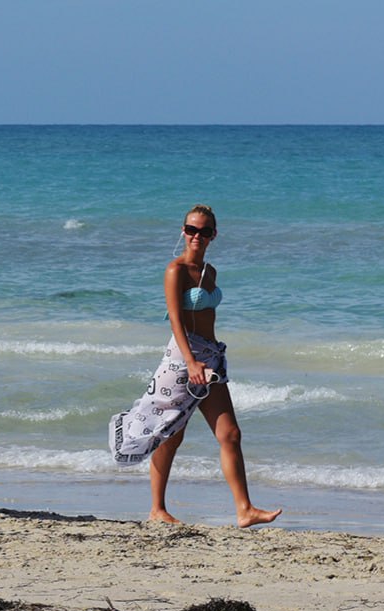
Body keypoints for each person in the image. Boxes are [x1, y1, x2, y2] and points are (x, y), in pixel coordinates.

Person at [109, 204, 281, 528]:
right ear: (183, 232)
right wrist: (190, 363)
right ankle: (157, 509)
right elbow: (175, 319)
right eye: (191, 229)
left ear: (213, 235)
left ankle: (244, 509)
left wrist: (206, 359)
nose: (196, 236)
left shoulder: (210, 272)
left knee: (230, 433)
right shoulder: (175, 270)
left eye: (204, 231)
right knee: (170, 434)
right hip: (182, 360)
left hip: (211, 357)